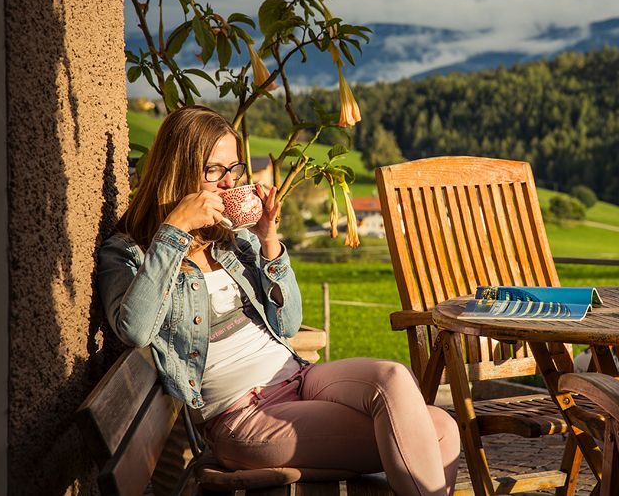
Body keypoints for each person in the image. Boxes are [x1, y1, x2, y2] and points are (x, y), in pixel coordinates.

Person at [97, 106, 459, 496]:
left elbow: (288, 324)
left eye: (234, 169)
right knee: (431, 432)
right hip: (244, 414)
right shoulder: (130, 253)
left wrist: (269, 241)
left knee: (406, 389)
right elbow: (135, 330)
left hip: (299, 378)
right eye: (214, 170)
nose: (229, 182)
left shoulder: (233, 241)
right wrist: (174, 230)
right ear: (179, 170)